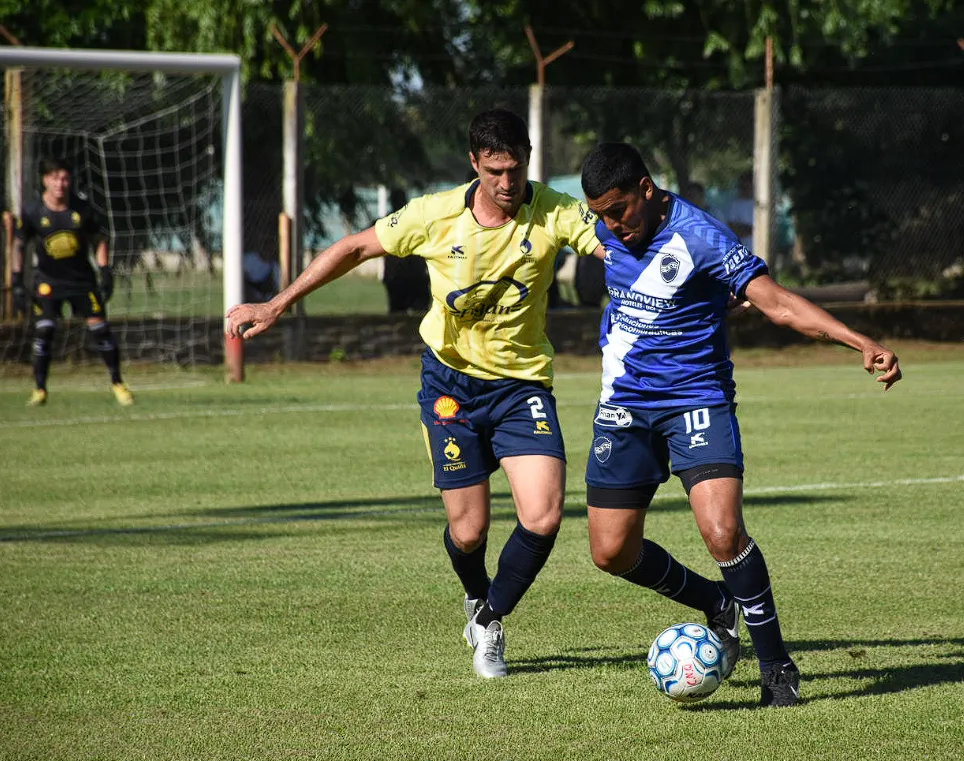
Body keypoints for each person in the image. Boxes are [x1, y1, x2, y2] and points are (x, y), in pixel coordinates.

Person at [226, 108, 604, 678]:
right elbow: (355, 249)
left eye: (516, 168)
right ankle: (476, 595)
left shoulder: (554, 210)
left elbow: (615, 246)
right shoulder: (434, 215)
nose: (508, 182)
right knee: (468, 532)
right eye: (495, 170)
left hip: (521, 385)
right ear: (474, 164)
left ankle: (489, 622)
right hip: (450, 388)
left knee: (545, 515)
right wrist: (276, 304)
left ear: (529, 158)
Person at [578, 142, 901, 707]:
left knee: (723, 532)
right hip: (624, 403)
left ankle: (776, 668)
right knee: (611, 552)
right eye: (601, 215)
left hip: (695, 398)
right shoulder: (608, 229)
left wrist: (859, 341)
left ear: (646, 189)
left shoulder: (702, 237)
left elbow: (778, 304)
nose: (612, 226)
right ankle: (716, 601)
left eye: (619, 210)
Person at [12, 157, 133, 407]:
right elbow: (19, 245)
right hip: (48, 282)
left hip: (82, 281)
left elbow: (99, 240)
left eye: (65, 178)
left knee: (100, 330)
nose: (61, 183)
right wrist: (16, 280)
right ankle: (40, 389)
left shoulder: (82, 209)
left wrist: (105, 271)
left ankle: (118, 384)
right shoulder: (33, 211)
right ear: (45, 180)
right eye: (55, 178)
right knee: (44, 330)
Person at [725, 170, 755, 251]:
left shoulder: (761, 204)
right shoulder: (735, 204)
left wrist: (745, 228)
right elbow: (733, 229)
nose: (746, 189)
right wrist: (753, 229)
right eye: (743, 187)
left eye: (748, 186)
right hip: (743, 249)